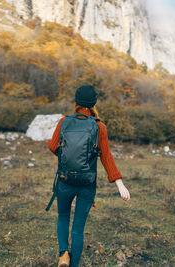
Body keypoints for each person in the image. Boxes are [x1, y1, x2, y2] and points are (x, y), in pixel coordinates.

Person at [48, 84, 130, 267]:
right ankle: (74, 264)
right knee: (77, 229)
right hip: (86, 183)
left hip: (65, 180)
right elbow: (106, 157)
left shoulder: (64, 122)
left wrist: (67, 156)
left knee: (62, 216)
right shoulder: (99, 127)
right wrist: (120, 185)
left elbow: (53, 146)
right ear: (94, 103)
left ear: (76, 101)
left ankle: (63, 255)